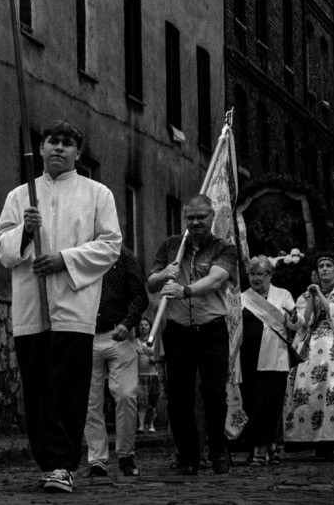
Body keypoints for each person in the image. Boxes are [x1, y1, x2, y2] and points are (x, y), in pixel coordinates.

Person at [0, 120, 121, 494]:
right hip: (33, 307)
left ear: (77, 153)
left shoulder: (98, 194)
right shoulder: (20, 197)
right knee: (37, 388)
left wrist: (64, 259)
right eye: (52, 142)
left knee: (66, 387)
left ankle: (62, 464)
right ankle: (46, 461)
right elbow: (2, 248)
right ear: (42, 148)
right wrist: (26, 232)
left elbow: (110, 244)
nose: (59, 149)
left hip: (74, 305)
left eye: (67, 143)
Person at [147, 194, 238, 476]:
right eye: (190, 218)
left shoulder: (224, 247)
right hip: (177, 332)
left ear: (212, 217)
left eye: (201, 217)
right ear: (184, 219)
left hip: (211, 329)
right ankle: (188, 455)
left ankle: (219, 450)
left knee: (213, 392)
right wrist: (164, 276)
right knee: (178, 397)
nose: (196, 222)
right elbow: (150, 283)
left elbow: (216, 279)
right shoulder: (171, 246)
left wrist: (185, 290)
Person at [283, 251, 334, 459]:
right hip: (313, 342)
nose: (325, 269)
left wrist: (320, 294)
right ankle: (310, 437)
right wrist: (304, 306)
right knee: (309, 387)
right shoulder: (307, 294)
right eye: (321, 266)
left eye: (329, 266)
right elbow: (304, 322)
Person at [83, 247, 148, 479]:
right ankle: (97, 459)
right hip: (86, 334)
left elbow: (140, 296)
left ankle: (126, 454)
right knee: (90, 401)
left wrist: (128, 322)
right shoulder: (80, 252)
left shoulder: (123, 256)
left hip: (118, 333)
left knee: (126, 395)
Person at [237, 255, 297, 466]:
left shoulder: (283, 295)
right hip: (248, 358)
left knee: (269, 404)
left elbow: (295, 323)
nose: (256, 278)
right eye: (252, 274)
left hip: (275, 357)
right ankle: (268, 443)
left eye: (260, 274)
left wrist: (296, 318)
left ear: (270, 275)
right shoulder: (242, 298)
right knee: (252, 405)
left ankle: (259, 449)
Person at [135, 317, 162, 434]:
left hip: (154, 376)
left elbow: (160, 357)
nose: (143, 327)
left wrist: (155, 361)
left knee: (152, 402)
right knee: (141, 402)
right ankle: (141, 425)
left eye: (146, 325)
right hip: (139, 376)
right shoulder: (135, 341)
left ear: (150, 327)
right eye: (141, 325)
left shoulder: (156, 341)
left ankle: (151, 425)